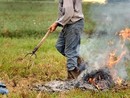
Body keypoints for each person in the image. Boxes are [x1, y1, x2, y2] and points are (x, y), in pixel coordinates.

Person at [49, 0, 84, 79]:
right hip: (68, 24)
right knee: (60, 46)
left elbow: (69, 12)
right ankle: (82, 65)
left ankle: (72, 78)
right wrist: (57, 22)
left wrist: (57, 23)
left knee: (70, 51)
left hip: (74, 24)